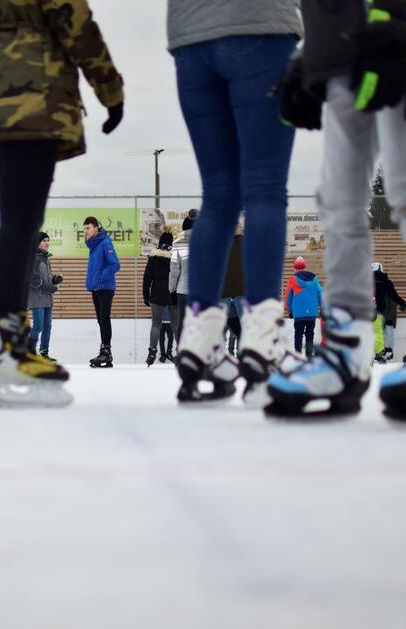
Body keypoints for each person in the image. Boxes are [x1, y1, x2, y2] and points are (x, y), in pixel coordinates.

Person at [267, 0, 406, 421]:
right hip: (339, 55)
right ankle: (347, 345)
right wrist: (309, 59)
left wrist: (395, 16)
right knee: (337, 199)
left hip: (398, 33)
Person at [0, 0, 123, 406]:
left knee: (16, 221)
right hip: (26, 89)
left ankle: (2, 344)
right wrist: (110, 88)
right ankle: (1, 348)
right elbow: (74, 19)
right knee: (22, 223)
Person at [166, 0, 302, 404]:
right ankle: (263, 337)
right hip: (259, 25)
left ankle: (202, 337)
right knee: (265, 187)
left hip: (191, 37)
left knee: (219, 195)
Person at [84, 216, 121, 368]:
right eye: (84, 228)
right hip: (96, 287)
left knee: (104, 318)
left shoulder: (105, 243)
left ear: (96, 228)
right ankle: (103, 350)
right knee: (100, 319)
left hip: (105, 287)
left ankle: (107, 351)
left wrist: (101, 278)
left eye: (88, 228)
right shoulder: (93, 246)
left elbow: (115, 264)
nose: (85, 231)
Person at [27, 233, 62, 360]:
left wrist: (54, 279)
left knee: (47, 326)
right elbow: (34, 281)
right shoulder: (32, 259)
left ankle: (44, 353)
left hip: (47, 299)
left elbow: (45, 279)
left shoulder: (45, 259)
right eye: (43, 240)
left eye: (48, 240)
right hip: (37, 299)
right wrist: (51, 288)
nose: (47, 243)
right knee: (38, 326)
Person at [143, 231, 174, 366]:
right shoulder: (174, 257)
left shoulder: (153, 257)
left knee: (156, 324)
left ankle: (152, 351)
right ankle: (181, 353)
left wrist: (146, 295)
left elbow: (147, 278)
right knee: (177, 325)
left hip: (156, 293)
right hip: (172, 293)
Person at [284, 256, 323, 358]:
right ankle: (309, 357)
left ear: (295, 268)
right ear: (304, 267)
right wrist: (322, 308)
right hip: (311, 314)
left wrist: (290, 311)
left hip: (298, 315)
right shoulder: (314, 279)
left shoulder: (292, 280)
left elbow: (288, 298)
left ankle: (297, 358)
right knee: (310, 335)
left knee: (298, 335)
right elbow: (321, 294)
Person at [167, 210, 196, 342]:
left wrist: (171, 289)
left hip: (183, 289)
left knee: (182, 322)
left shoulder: (178, 240)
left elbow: (174, 268)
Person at [371, 262, 406, 363]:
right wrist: (402, 303)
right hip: (378, 311)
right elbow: (393, 295)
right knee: (378, 332)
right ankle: (378, 353)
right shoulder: (386, 281)